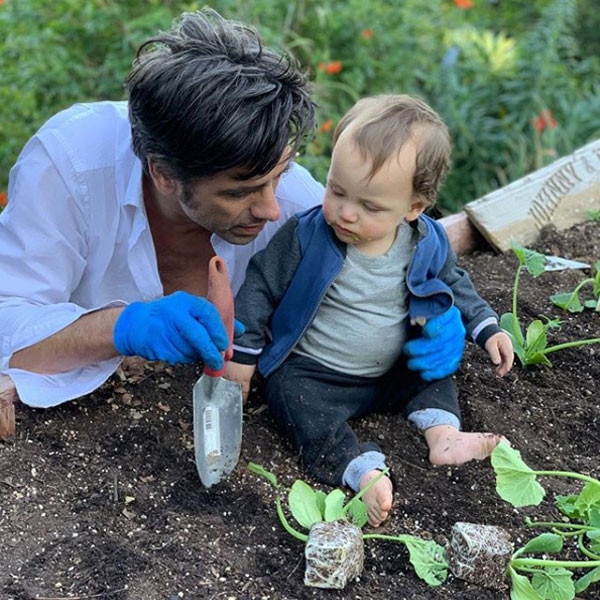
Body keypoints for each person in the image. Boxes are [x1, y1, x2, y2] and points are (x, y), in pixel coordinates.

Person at [0, 8, 325, 408]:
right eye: (241, 192)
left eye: (279, 175)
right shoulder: (70, 165)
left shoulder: (298, 203)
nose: (271, 209)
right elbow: (7, 327)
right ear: (164, 174)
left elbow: (385, 261)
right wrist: (123, 328)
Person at [225, 94, 515, 527]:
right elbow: (260, 287)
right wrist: (243, 356)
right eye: (337, 190)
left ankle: (444, 434)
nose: (346, 213)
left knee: (433, 369)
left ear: (413, 208)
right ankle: (357, 466)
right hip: (318, 372)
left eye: (370, 207)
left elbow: (455, 283)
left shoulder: (426, 240)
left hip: (391, 369)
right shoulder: (306, 236)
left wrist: (486, 327)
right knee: (292, 398)